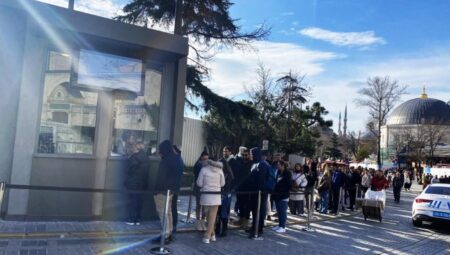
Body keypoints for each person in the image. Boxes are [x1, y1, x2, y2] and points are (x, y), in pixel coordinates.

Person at [153, 140, 183, 244]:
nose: (159, 152)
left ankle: (165, 235)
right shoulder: (178, 159)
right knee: (168, 212)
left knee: (162, 213)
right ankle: (169, 233)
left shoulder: (165, 160)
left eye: (160, 150)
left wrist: (156, 191)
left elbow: (160, 178)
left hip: (162, 191)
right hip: (172, 191)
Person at [197, 159, 225, 244]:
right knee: (212, 216)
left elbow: (199, 183)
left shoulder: (203, 169)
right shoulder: (220, 170)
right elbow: (223, 183)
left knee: (208, 216)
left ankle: (207, 235)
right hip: (216, 195)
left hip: (206, 195)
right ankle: (212, 234)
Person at [124, 142, 150, 226]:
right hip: (142, 183)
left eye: (132, 148)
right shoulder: (146, 157)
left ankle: (131, 219)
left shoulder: (134, 158)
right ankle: (138, 219)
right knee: (139, 201)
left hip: (133, 183)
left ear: (135, 149)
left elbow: (128, 170)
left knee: (133, 202)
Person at [247, 147, 269, 239]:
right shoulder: (255, 164)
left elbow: (261, 180)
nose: (250, 155)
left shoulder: (262, 164)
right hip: (254, 192)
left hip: (260, 193)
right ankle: (253, 227)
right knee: (254, 211)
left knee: (259, 211)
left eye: (252, 154)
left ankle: (258, 230)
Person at [272, 161, 292, 233]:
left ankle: (283, 227)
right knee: (279, 211)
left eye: (279, 165)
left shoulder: (287, 173)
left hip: (284, 195)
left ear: (283, 165)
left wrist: (282, 189)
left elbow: (289, 184)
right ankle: (279, 225)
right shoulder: (278, 172)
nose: (278, 166)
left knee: (283, 211)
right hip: (277, 195)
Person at [216, 158, 234, 237]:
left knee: (223, 212)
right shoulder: (222, 172)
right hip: (222, 194)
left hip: (225, 195)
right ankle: (218, 228)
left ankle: (224, 229)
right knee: (219, 212)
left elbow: (227, 186)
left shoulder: (228, 174)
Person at [235, 149, 253, 229]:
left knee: (247, 205)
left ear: (249, 155)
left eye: (246, 155)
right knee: (240, 204)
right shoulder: (241, 162)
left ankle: (246, 220)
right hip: (239, 187)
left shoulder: (252, 163)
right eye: (244, 155)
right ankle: (241, 219)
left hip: (247, 188)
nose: (245, 156)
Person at [193, 151, 209, 231]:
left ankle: (201, 221)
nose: (206, 160)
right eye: (205, 158)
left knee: (202, 205)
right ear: (202, 157)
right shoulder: (199, 165)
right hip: (199, 187)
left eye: (207, 159)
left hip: (202, 188)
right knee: (200, 205)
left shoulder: (201, 164)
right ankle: (199, 221)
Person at [171, 145, 184, 236]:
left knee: (172, 206)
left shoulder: (176, 160)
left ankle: (174, 224)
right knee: (173, 206)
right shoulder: (180, 159)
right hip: (176, 186)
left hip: (173, 187)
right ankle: (174, 224)